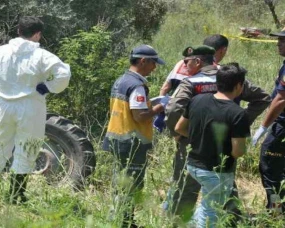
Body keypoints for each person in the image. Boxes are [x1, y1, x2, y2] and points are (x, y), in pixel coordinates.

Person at [163, 45, 271, 222]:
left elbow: (174, 109)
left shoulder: (191, 82)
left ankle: (180, 221)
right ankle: (232, 220)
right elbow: (262, 98)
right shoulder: (232, 77)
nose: (184, 65)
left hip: (193, 143)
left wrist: (180, 134)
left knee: (186, 186)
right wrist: (239, 124)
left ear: (198, 61)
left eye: (186, 62)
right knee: (224, 183)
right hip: (226, 143)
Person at [0, 16, 71, 204]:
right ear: (37, 34)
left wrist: (4, 84)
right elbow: (63, 74)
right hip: (30, 104)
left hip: (4, 104)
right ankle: (16, 194)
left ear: (19, 30)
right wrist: (48, 87)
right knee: (27, 146)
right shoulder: (42, 56)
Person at [175, 62, 250, 227]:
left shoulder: (196, 100)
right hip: (216, 172)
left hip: (193, 165)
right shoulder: (238, 114)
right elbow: (237, 152)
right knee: (211, 214)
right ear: (239, 85)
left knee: (204, 207)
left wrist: (201, 137)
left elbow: (179, 128)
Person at [102, 44, 168, 227]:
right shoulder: (137, 85)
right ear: (143, 61)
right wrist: (161, 106)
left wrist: (151, 103)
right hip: (132, 142)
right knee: (131, 185)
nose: (154, 68)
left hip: (117, 138)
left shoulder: (122, 80)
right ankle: (125, 222)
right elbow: (139, 116)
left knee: (120, 182)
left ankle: (118, 219)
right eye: (153, 63)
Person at [154, 34, 229, 133]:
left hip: (181, 122)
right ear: (223, 50)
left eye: (186, 62)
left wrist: (163, 113)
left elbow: (166, 89)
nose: (185, 65)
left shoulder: (181, 65)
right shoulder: (223, 73)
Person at [252, 27, 285, 214]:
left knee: (270, 166)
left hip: (282, 127)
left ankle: (276, 210)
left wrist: (263, 128)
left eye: (283, 41)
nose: (278, 44)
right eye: (278, 40)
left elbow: (281, 99)